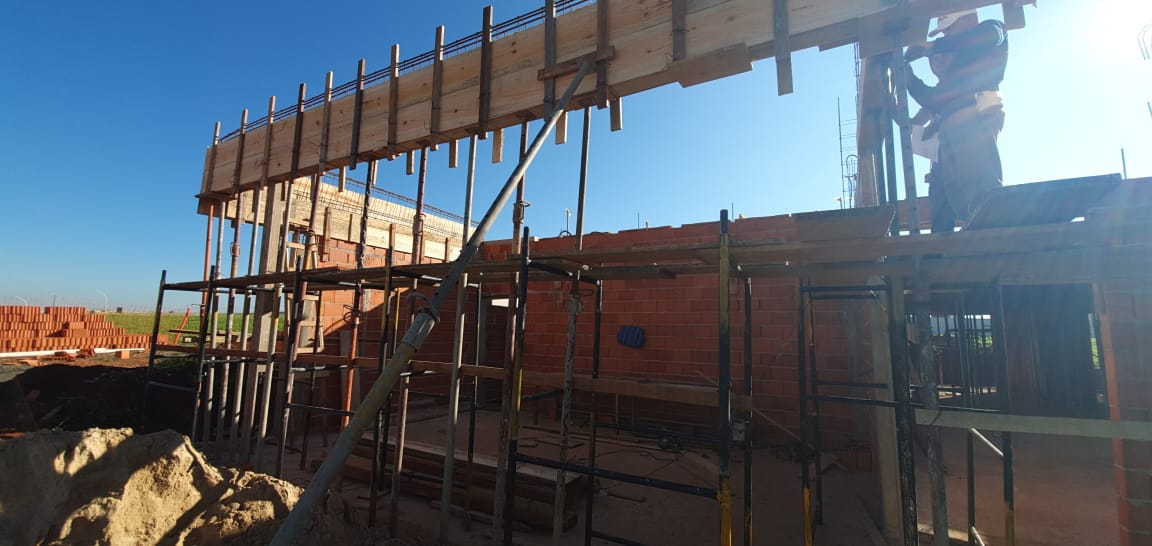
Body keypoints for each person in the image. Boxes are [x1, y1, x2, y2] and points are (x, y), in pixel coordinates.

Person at [905, 10, 1008, 233]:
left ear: (969, 18)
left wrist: (932, 46)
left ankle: (990, 226)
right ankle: (953, 241)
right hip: (953, 129)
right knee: (948, 190)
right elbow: (935, 100)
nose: (946, 36)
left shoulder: (992, 30)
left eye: (949, 29)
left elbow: (988, 36)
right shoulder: (954, 74)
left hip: (975, 117)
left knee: (980, 187)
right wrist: (908, 78)